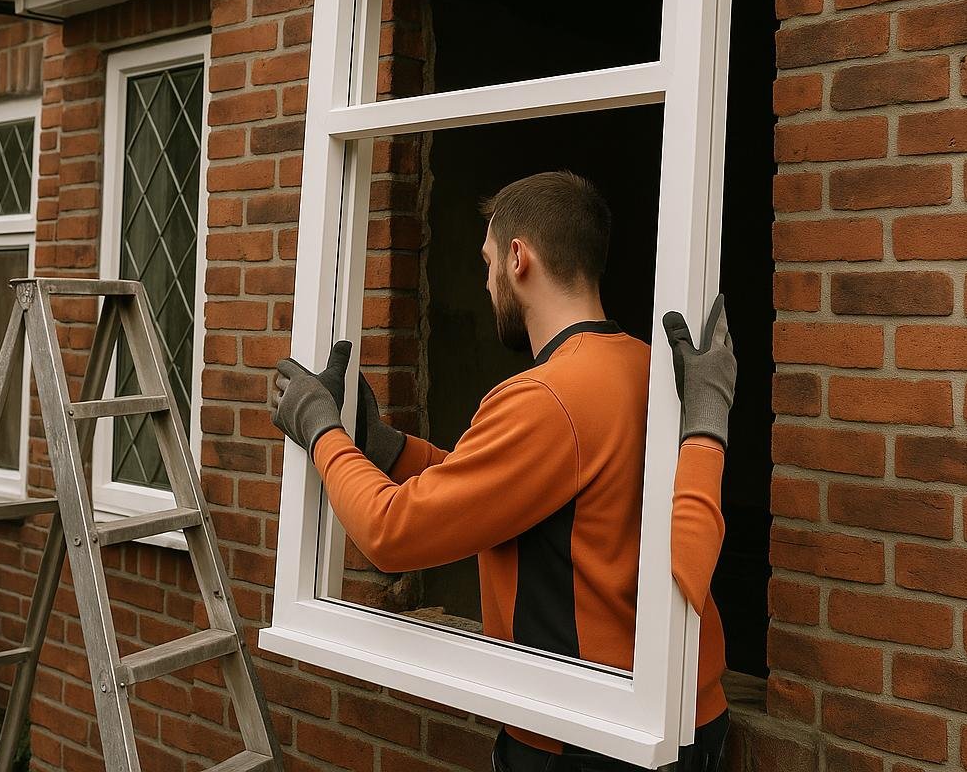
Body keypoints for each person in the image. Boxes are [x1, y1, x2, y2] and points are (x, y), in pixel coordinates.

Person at [271, 172, 736, 772]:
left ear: (519, 258)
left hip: (587, 739)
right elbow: (501, 494)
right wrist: (383, 447)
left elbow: (393, 533)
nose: (486, 280)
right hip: (682, 720)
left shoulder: (545, 398)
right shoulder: (644, 367)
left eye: (487, 262)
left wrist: (321, 431)